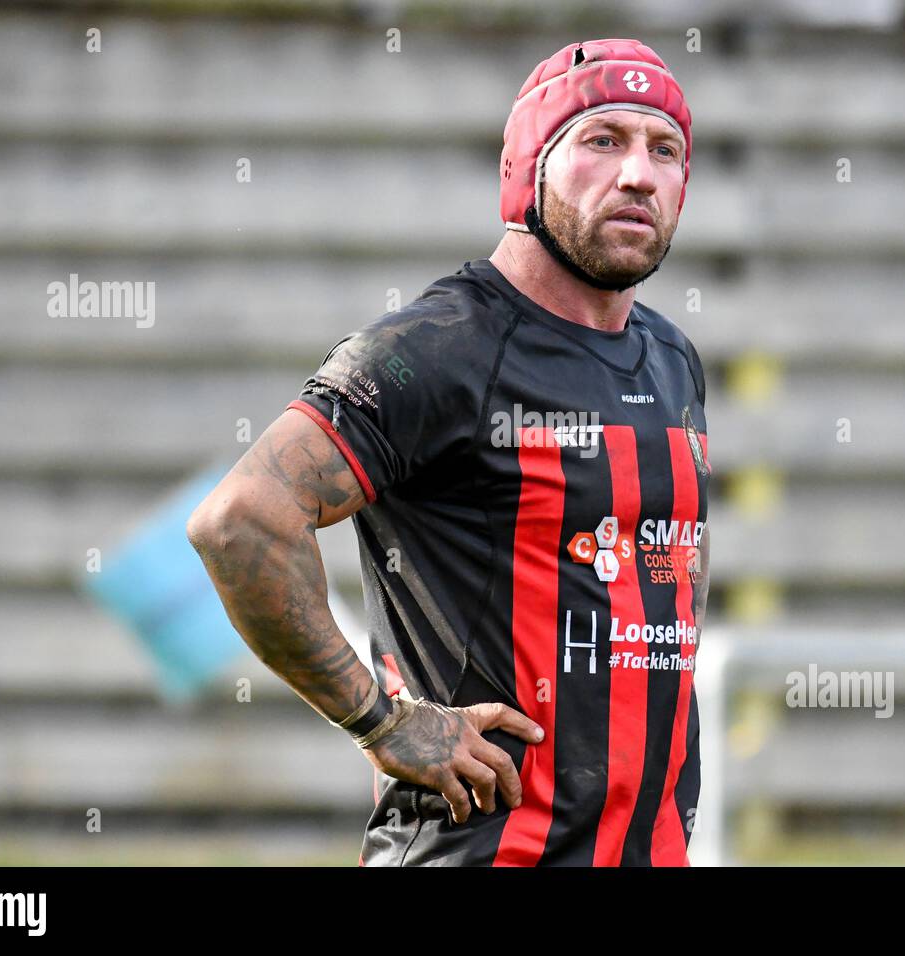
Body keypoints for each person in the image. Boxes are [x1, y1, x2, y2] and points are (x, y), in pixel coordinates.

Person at [187, 37, 710, 866]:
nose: (640, 173)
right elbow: (239, 522)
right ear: (528, 169)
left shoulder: (674, 359)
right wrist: (382, 721)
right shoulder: (438, 348)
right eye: (602, 140)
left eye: (665, 148)